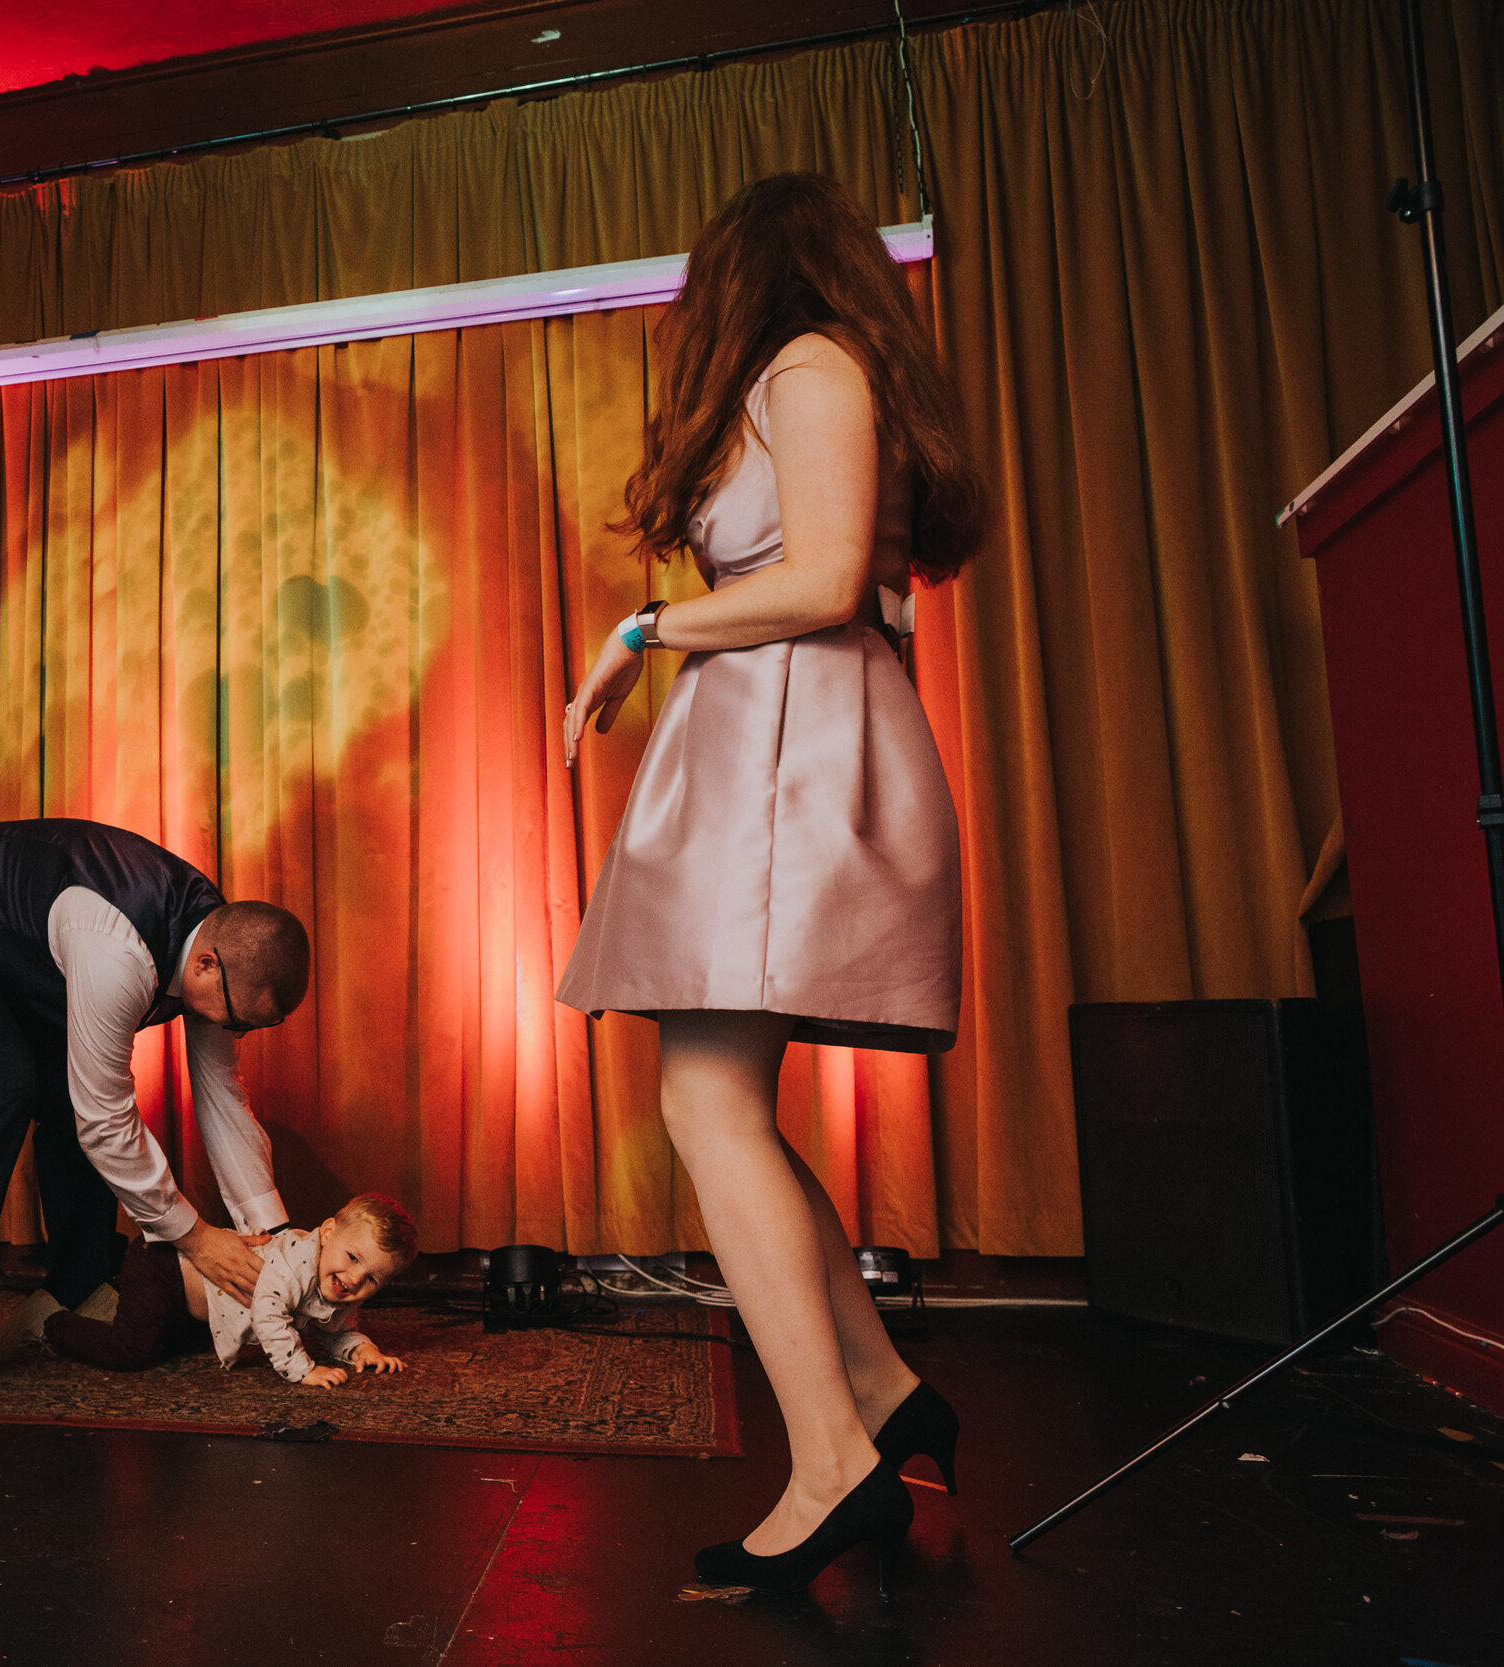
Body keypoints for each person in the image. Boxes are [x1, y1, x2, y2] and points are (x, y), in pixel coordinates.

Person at [556, 172, 984, 1591]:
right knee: (719, 1094)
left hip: (781, 739)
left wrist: (645, 624)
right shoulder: (836, 370)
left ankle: (831, 1459)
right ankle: (870, 1386)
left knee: (703, 1095)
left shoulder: (807, 363)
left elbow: (821, 583)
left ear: (743, 277)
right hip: (775, 737)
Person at [0, 818, 310, 1413]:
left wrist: (276, 1237)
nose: (231, 1031)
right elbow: (104, 1117)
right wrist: (193, 1237)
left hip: (1, 942)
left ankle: (73, 1290)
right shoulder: (118, 950)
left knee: (64, 1089)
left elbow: (221, 1093)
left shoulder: (219, 952)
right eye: (238, 1018)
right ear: (208, 965)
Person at [10, 1192, 417, 1384]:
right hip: (164, 1268)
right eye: (353, 1259)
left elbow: (337, 1330)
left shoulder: (340, 1285)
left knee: (172, 1347)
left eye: (372, 1280)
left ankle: (105, 1305)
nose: (354, 1281)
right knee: (129, 1353)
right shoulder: (296, 1263)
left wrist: (362, 1348)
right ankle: (48, 1321)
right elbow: (269, 1316)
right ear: (327, 1233)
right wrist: (302, 1370)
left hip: (195, 1309)